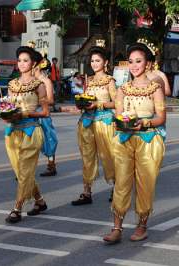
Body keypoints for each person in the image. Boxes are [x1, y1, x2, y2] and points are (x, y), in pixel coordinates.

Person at [103, 40, 166, 244]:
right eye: (131, 61)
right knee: (121, 183)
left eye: (139, 61)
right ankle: (116, 227)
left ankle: (142, 225)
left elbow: (161, 118)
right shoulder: (122, 89)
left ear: (147, 64)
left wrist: (144, 123)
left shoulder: (155, 88)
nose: (134, 65)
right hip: (124, 140)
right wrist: (120, 121)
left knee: (144, 183)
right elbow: (119, 115)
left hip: (148, 141)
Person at [4, 45, 50, 223]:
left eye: (26, 60)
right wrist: (6, 115)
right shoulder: (12, 84)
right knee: (22, 171)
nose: (22, 64)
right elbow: (7, 107)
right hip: (12, 132)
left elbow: (45, 112)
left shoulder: (39, 85)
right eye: (19, 60)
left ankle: (17, 208)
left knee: (24, 171)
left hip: (32, 131)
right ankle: (40, 201)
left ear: (33, 64)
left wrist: (27, 113)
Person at [71, 40, 116, 206]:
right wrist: (81, 104)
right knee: (87, 158)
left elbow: (117, 103)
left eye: (97, 60)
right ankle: (86, 191)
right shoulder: (88, 80)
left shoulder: (110, 81)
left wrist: (99, 104)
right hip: (87, 121)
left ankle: (116, 187)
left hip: (104, 122)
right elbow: (85, 99)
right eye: (92, 61)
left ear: (105, 62)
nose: (94, 63)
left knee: (109, 157)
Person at [34, 51, 59, 176]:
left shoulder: (46, 81)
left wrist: (36, 102)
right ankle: (27, 169)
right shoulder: (28, 80)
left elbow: (51, 100)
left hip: (43, 114)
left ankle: (51, 165)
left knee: (48, 140)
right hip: (30, 115)